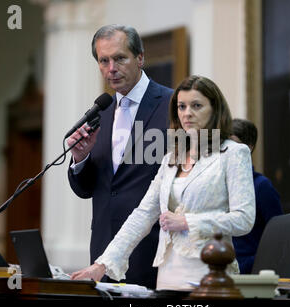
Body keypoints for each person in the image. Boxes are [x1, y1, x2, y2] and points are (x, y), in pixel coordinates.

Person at [78, 75, 256, 291]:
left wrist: (188, 222)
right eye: (181, 106)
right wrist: (101, 265)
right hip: (168, 275)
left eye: (196, 105)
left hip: (211, 274)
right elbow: (142, 215)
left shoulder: (234, 153)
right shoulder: (172, 158)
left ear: (215, 109)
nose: (187, 113)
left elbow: (244, 219)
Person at [67, 24, 173, 288]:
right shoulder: (99, 113)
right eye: (104, 61)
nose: (111, 68)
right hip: (103, 253)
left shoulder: (173, 106)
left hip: (152, 251)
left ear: (140, 58)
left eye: (119, 58)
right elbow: (87, 189)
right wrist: (80, 159)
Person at [230, 119, 284, 274]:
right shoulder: (217, 185)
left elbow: (278, 237)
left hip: (249, 271)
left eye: (232, 144)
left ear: (248, 148)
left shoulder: (262, 186)